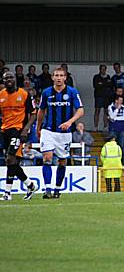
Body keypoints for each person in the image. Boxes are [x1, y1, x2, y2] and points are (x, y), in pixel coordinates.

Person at [36, 67, 84, 199]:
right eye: (56, 75)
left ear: (65, 77)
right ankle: (47, 190)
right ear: (52, 77)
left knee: (62, 161)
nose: (58, 78)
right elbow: (41, 111)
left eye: (61, 75)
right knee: (47, 158)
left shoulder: (72, 92)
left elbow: (80, 110)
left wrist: (70, 122)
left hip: (64, 133)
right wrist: (38, 128)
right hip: (48, 131)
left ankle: (57, 189)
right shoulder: (46, 92)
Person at [0, 71, 37, 201]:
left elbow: (33, 113)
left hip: (18, 130)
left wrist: (25, 129)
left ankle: (7, 193)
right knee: (12, 161)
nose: (8, 80)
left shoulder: (24, 94)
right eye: (5, 78)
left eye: (10, 77)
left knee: (10, 159)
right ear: (3, 81)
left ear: (15, 79)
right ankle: (30, 185)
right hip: (5, 131)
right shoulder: (1, 95)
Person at [92, 64, 112, 131]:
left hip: (106, 96)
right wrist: (105, 85)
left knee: (106, 111)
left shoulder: (108, 77)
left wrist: (102, 84)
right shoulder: (96, 77)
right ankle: (95, 126)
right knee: (97, 111)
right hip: (98, 96)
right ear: (99, 69)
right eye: (102, 69)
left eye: (104, 69)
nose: (103, 70)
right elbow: (96, 86)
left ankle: (105, 126)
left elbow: (110, 86)